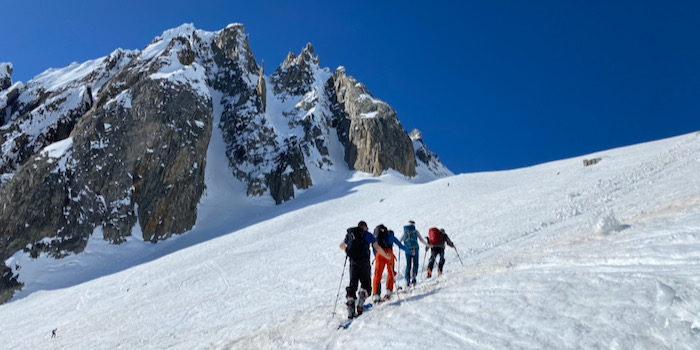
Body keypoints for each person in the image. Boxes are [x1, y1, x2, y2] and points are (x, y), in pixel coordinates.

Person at [339, 221, 390, 319]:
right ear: (365, 227)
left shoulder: (351, 235)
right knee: (366, 284)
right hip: (364, 261)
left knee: (353, 284)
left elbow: (341, 245)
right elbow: (377, 247)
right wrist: (386, 256)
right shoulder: (368, 235)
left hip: (353, 262)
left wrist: (348, 251)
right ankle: (361, 299)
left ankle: (350, 305)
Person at [371, 224, 412, 302]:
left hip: (379, 254)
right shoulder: (391, 237)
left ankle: (376, 295)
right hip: (388, 254)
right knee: (391, 272)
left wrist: (376, 256)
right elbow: (401, 246)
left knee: (377, 274)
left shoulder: (376, 237)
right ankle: (389, 292)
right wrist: (410, 252)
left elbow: (374, 248)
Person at [401, 220, 430, 286]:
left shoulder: (405, 232)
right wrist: (428, 245)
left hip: (407, 249)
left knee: (408, 265)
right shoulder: (415, 231)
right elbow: (421, 240)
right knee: (415, 263)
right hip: (415, 248)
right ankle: (414, 276)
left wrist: (403, 247)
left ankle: (407, 280)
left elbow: (400, 241)